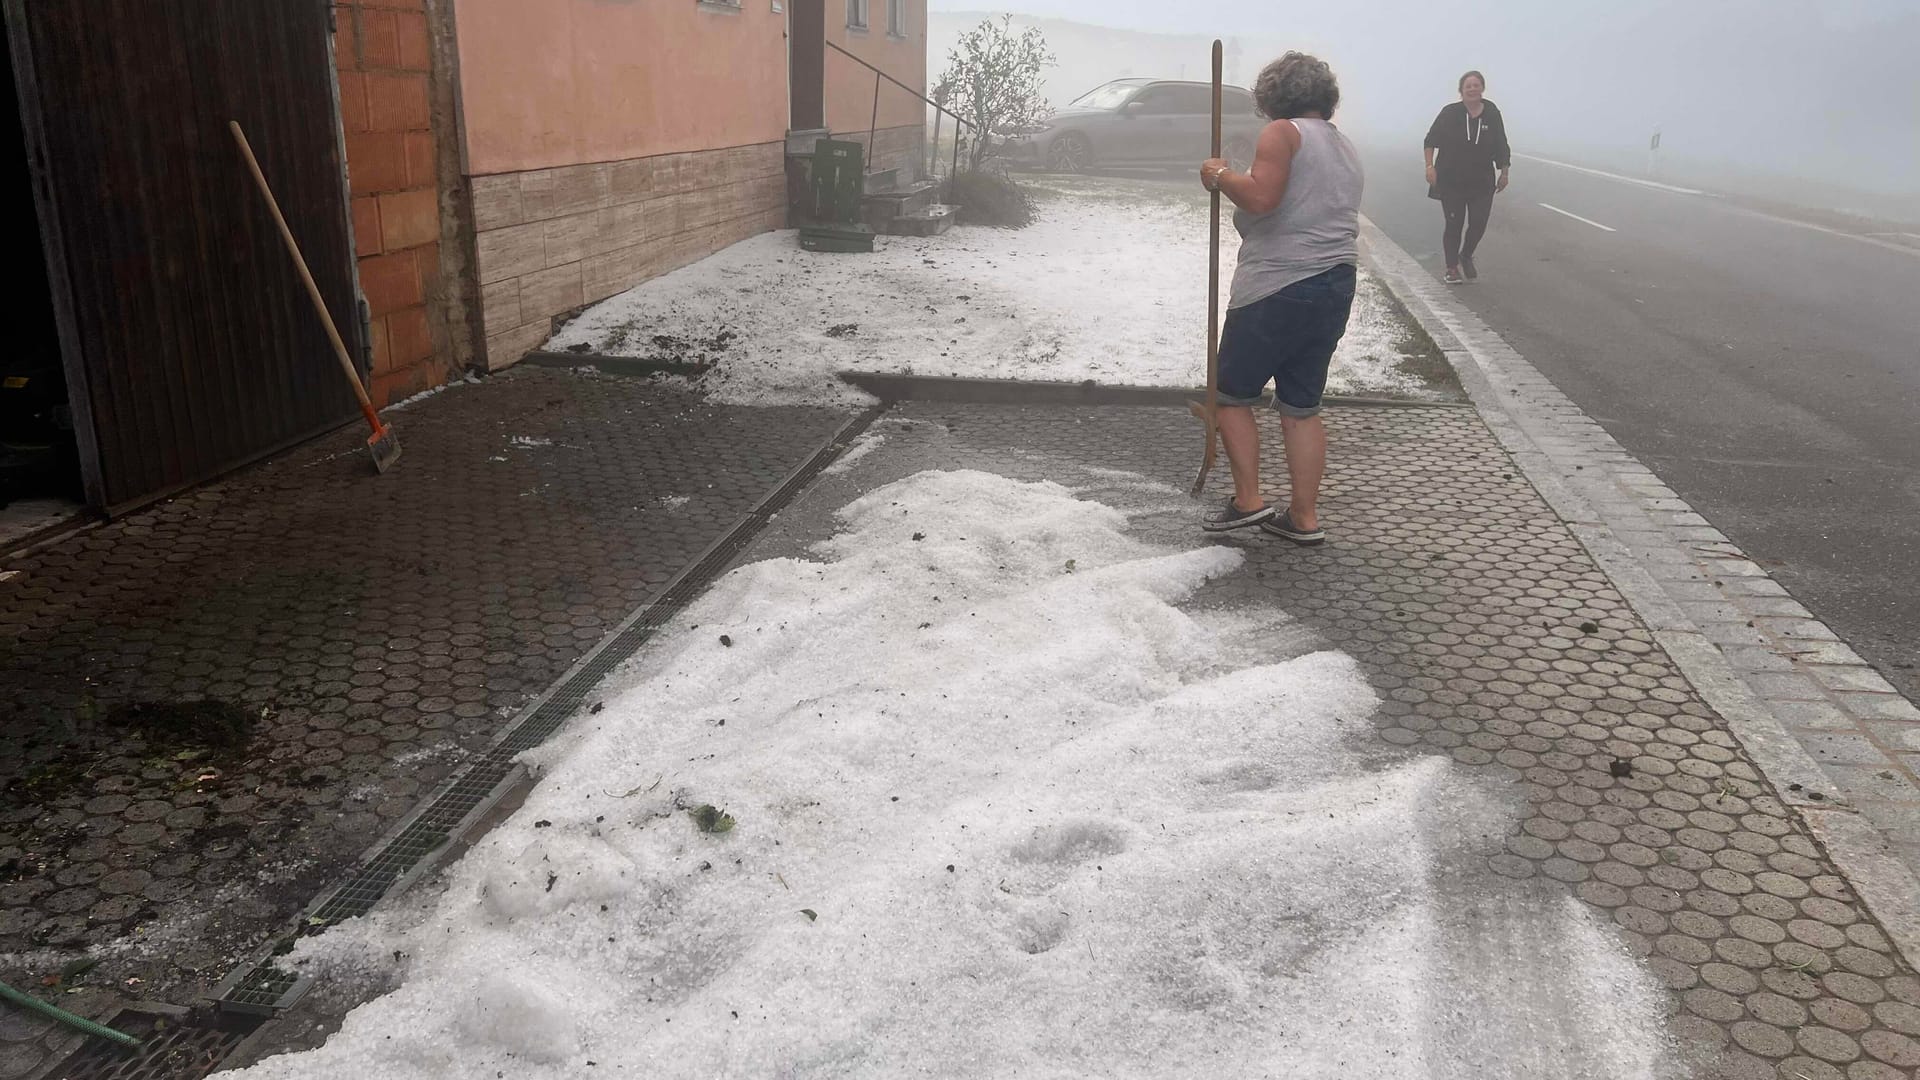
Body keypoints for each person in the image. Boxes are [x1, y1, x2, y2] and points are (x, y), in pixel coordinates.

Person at [1196, 51, 1362, 545]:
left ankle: (1247, 501)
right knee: (1301, 405)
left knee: (1227, 394)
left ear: (1275, 95)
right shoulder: (1343, 144)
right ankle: (1303, 518)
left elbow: (1263, 198)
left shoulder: (1282, 133)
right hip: (1336, 282)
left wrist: (1219, 176)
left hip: (1278, 284)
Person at [1424, 71, 1510, 284]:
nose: (1472, 89)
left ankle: (1466, 254)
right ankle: (1452, 268)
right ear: (1461, 91)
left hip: (1481, 181)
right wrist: (1429, 166)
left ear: (1482, 88)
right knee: (1454, 224)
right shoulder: (1450, 113)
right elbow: (1430, 140)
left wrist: (1504, 172)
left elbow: (1501, 144)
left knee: (1478, 223)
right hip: (1451, 180)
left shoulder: (1491, 113)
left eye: (1476, 85)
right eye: (1468, 86)